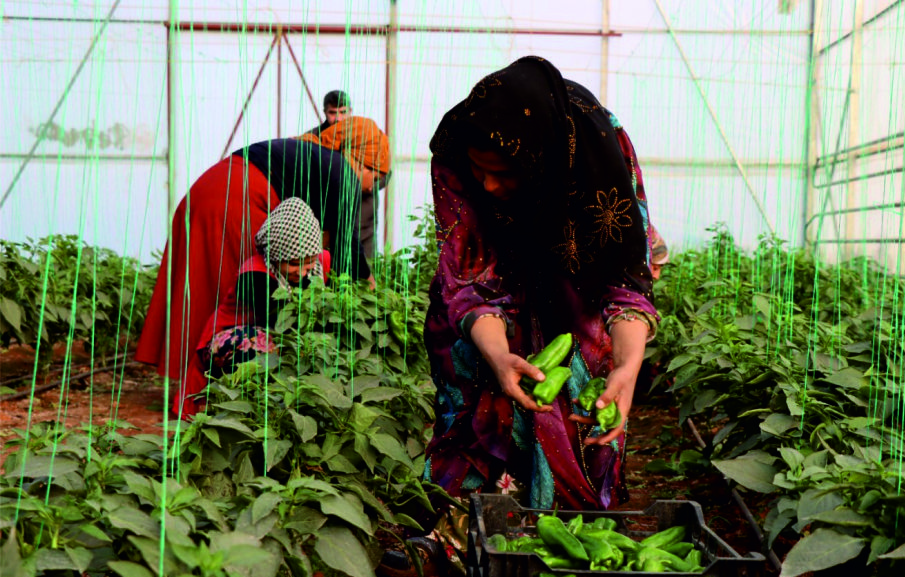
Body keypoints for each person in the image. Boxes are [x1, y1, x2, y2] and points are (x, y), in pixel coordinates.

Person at [423, 56, 659, 514]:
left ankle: (576, 514)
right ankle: (462, 519)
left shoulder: (600, 151)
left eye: (505, 173)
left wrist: (628, 367)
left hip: (578, 287)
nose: (488, 186)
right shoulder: (458, 146)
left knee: (586, 377)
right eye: (480, 170)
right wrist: (496, 352)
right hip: (487, 301)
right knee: (479, 373)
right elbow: (470, 276)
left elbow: (626, 281)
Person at [135, 137, 370, 416]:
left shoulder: (309, 253)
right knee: (259, 337)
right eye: (376, 175)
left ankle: (241, 399)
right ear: (366, 164)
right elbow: (346, 243)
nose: (373, 185)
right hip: (235, 197)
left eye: (308, 262)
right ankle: (227, 403)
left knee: (211, 296)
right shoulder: (258, 272)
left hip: (219, 186)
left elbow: (336, 256)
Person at [195, 197, 329, 384]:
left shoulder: (320, 263)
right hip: (230, 337)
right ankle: (246, 392)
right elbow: (283, 323)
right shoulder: (254, 276)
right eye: (292, 264)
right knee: (255, 345)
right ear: (275, 255)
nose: (301, 272)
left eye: (308, 263)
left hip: (277, 334)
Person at [299, 116, 391, 259]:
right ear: (360, 164)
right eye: (374, 179)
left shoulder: (324, 160)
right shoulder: (329, 174)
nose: (371, 188)